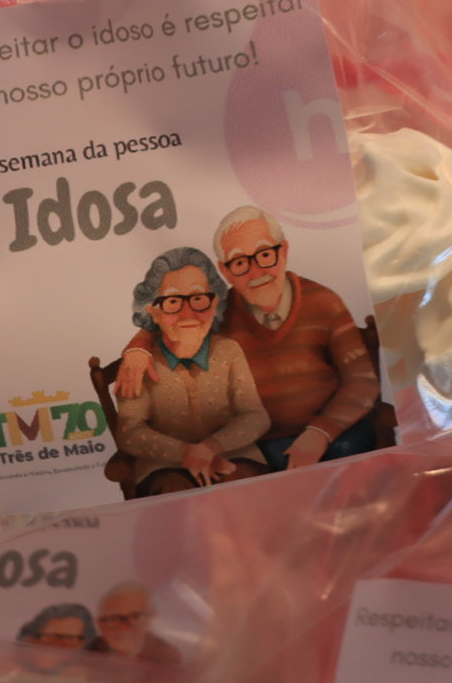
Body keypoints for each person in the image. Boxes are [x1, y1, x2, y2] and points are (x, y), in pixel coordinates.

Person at [116, 206, 378, 472]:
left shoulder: (324, 302)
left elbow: (363, 381)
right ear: (225, 270)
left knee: (348, 452)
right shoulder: (220, 310)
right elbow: (175, 319)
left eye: (265, 255)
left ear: (283, 252)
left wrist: (320, 432)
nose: (256, 273)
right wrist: (139, 347)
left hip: (333, 433)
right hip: (259, 442)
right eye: (240, 262)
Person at [112, 248, 269, 495]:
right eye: (173, 302)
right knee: (173, 493)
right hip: (164, 466)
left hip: (233, 456)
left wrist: (211, 448)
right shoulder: (138, 363)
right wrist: (185, 453)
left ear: (214, 303)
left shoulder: (228, 351)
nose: (188, 313)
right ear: (153, 310)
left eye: (198, 299)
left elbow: (255, 416)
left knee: (242, 487)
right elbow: (130, 432)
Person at [89, 582, 182, 665]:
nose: (124, 627)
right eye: (114, 619)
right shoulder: (90, 651)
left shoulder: (166, 656)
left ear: (151, 619)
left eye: (135, 617)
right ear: (99, 624)